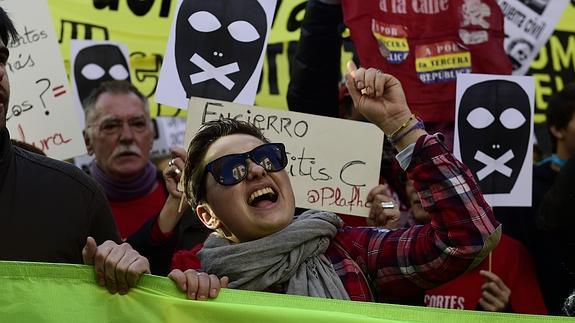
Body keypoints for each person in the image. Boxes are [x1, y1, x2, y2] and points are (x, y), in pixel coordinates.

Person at [167, 62, 501, 302]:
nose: (257, 171)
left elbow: (469, 238)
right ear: (208, 216)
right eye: (232, 169)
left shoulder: (346, 248)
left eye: (268, 157)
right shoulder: (192, 278)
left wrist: (401, 125)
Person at [0, 7, 148, 295]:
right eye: (111, 125)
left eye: (1, 58)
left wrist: (132, 274)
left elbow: (126, 306)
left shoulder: (74, 195)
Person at [82, 80, 210, 275]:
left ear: (152, 136)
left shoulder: (196, 207)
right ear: (87, 141)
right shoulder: (68, 205)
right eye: (111, 125)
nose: (127, 136)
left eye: (138, 124)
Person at [399, 180, 547, 314]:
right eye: (408, 180)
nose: (414, 187)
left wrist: (505, 314)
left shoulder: (511, 253)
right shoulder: (403, 249)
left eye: (427, 179)